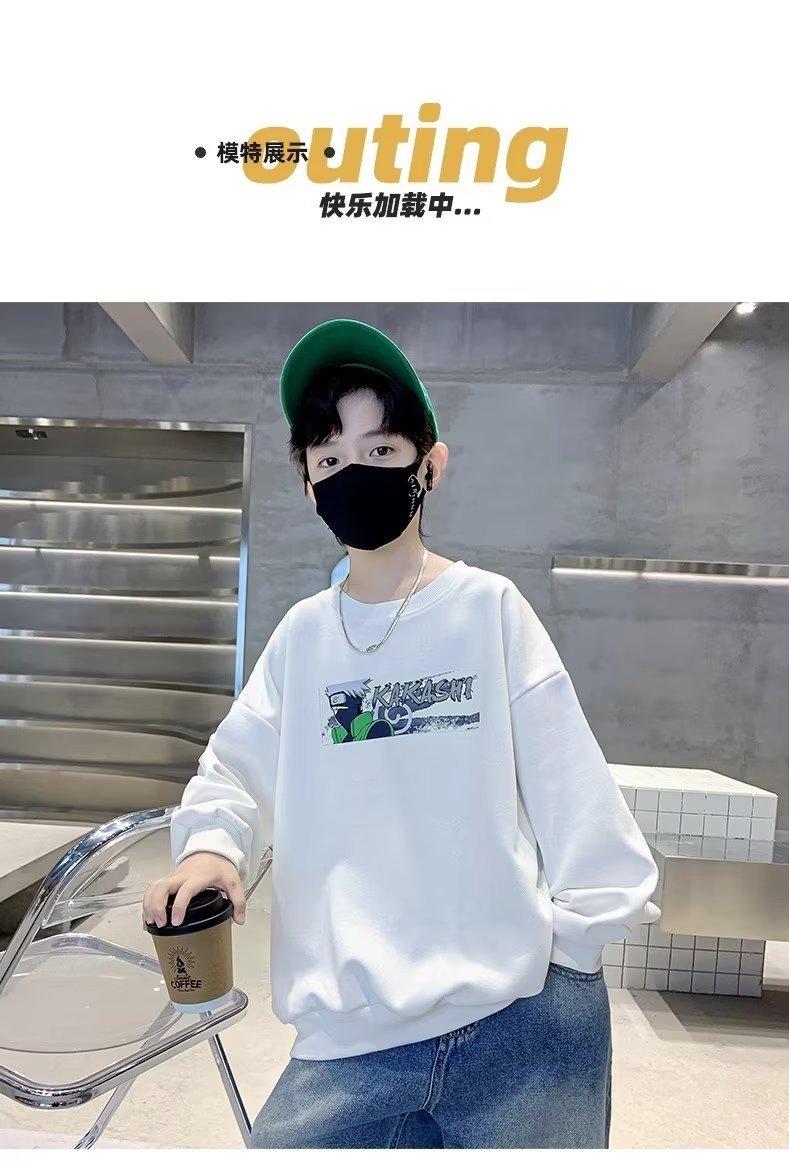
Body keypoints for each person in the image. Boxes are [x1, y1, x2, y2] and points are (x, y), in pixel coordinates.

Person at [142, 317, 662, 1149]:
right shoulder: (304, 638)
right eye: (330, 459)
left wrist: (575, 953)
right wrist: (211, 848)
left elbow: (573, 789)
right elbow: (233, 771)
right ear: (308, 485)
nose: (354, 472)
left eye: (381, 450)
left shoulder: (488, 610)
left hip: (521, 1022)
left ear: (431, 465)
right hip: (349, 1044)